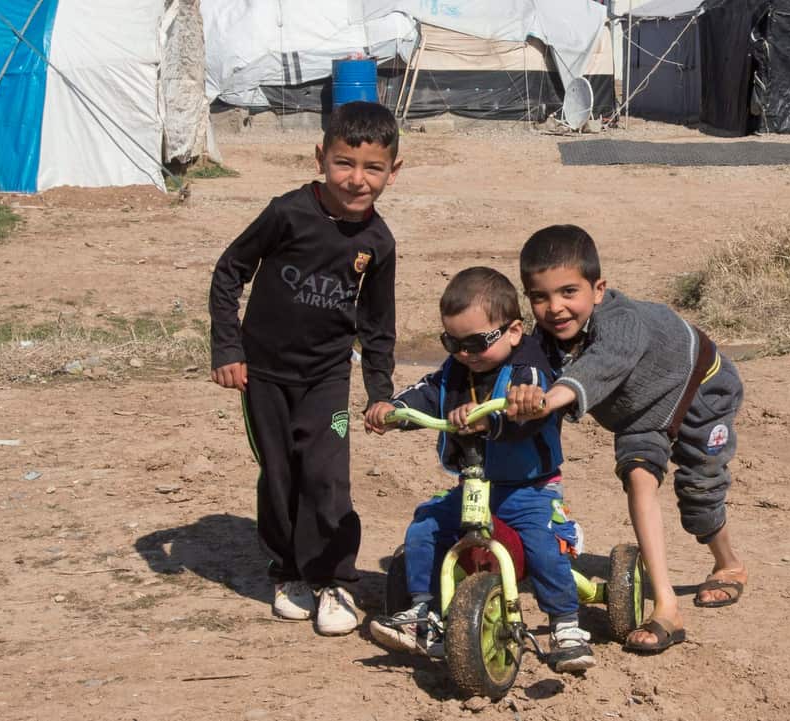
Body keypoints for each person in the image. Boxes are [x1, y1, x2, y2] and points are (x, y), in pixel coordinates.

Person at [504, 225, 748, 654]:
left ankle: (729, 564)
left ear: (598, 289)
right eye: (539, 297)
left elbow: (602, 362)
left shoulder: (621, 322)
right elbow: (523, 362)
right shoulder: (546, 338)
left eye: (568, 292)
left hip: (699, 386)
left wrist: (550, 399)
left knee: (699, 493)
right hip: (641, 413)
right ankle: (667, 608)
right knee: (638, 476)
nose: (555, 308)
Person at [209, 101, 402, 636]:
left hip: (328, 380)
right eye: (344, 163)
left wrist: (378, 392)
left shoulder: (378, 243)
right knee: (279, 475)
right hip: (263, 376)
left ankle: (335, 579)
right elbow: (230, 271)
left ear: (393, 171)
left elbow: (378, 324)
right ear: (321, 157)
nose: (356, 179)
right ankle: (289, 571)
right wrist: (228, 349)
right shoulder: (287, 212)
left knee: (326, 474)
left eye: (372, 168)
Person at [363, 267, 595, 673]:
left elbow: (534, 413)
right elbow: (427, 391)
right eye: (451, 342)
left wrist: (495, 417)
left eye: (475, 342)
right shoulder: (456, 371)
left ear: (514, 332)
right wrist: (394, 410)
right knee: (426, 527)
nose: (464, 352)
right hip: (474, 485)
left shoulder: (530, 372)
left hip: (530, 489)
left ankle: (565, 625)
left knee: (543, 546)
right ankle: (423, 613)